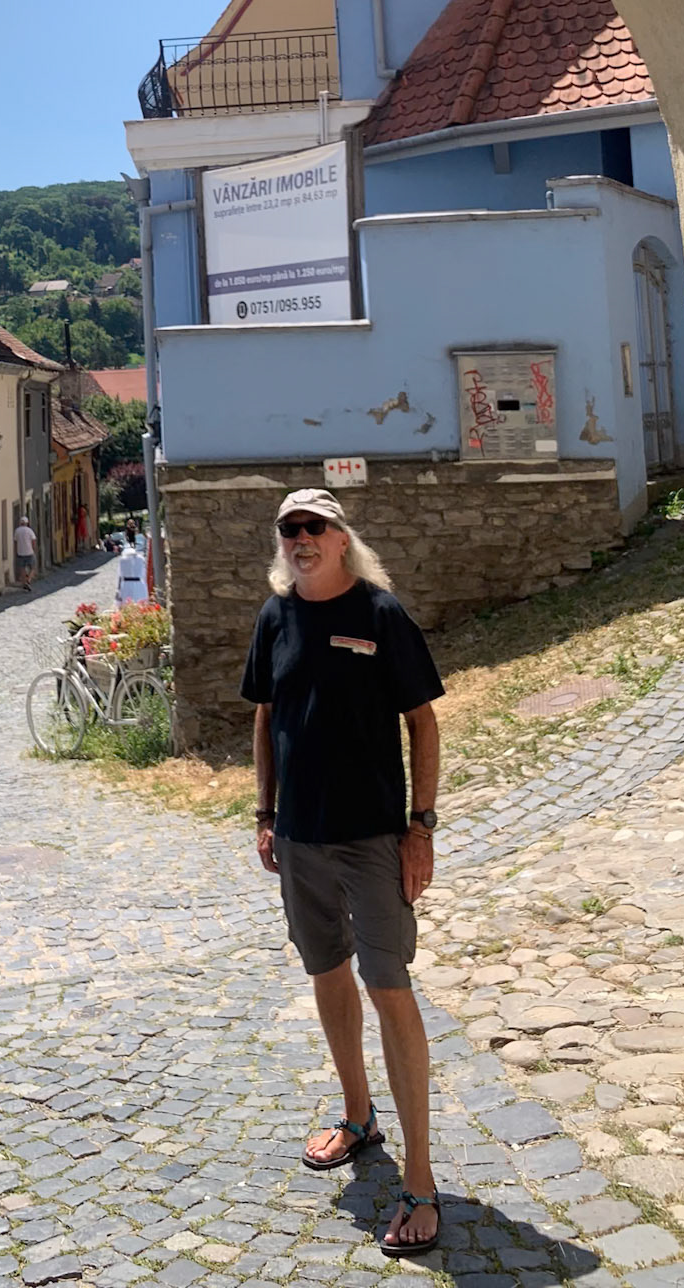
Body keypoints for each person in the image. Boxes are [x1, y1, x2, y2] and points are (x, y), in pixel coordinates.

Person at [241, 488, 445, 1258]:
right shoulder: (275, 617)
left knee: (388, 985)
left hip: (373, 839)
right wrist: (265, 813)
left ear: (339, 537)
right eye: (289, 529)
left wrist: (420, 827)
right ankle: (359, 1118)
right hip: (300, 838)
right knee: (326, 971)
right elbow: (265, 715)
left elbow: (422, 719)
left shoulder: (380, 614)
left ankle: (420, 1181)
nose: (300, 538)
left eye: (313, 527)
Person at [114, 522, 149, 604]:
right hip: (139, 584)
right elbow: (144, 574)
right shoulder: (140, 558)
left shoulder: (123, 559)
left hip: (126, 585)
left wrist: (118, 590)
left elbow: (120, 575)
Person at [12, 511, 38, 590]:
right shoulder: (29, 531)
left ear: (20, 523)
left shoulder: (17, 531)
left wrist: (15, 551)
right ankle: (28, 580)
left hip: (20, 552)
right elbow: (33, 541)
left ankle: (24, 582)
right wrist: (34, 549)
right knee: (33, 567)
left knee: (22, 568)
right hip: (29, 552)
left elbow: (15, 542)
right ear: (27, 523)